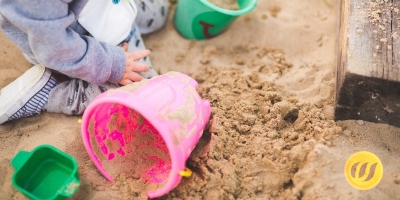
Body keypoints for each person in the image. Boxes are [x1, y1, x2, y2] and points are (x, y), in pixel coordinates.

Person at [0, 0, 169, 124]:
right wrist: (113, 65)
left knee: (160, 13)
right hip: (84, 50)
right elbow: (56, 49)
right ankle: (52, 92)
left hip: (110, 9)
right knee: (144, 92)